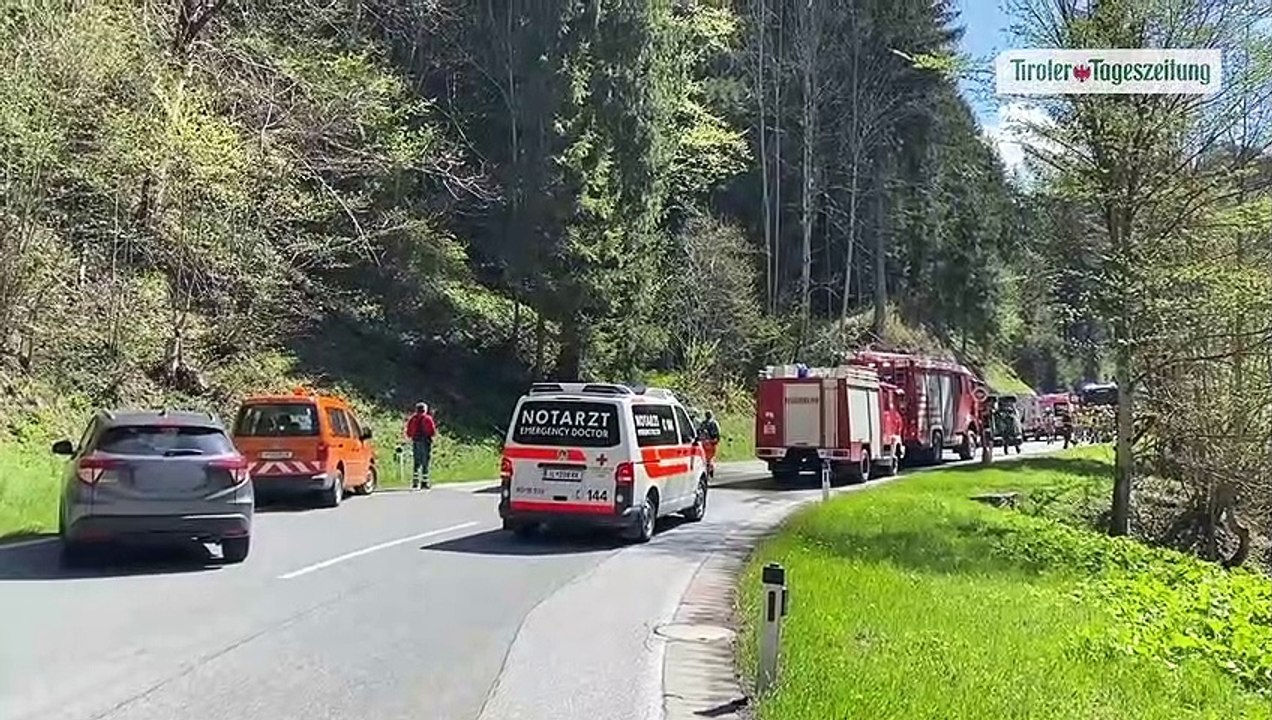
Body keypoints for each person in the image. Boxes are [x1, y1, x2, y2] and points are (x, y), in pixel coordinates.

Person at [404, 402, 437, 489]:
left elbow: (408, 431)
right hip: (425, 442)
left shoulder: (413, 419)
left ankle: (415, 482)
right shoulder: (427, 418)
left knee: (416, 461)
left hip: (415, 441)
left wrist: (411, 436)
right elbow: (432, 431)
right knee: (425, 462)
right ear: (425, 410)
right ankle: (424, 482)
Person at [698, 410, 721, 475]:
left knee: (706, 456)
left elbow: (699, 431)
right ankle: (710, 467)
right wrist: (717, 440)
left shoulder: (703, 423)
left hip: (704, 441)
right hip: (712, 441)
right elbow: (718, 433)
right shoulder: (714, 423)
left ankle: (708, 467)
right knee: (711, 456)